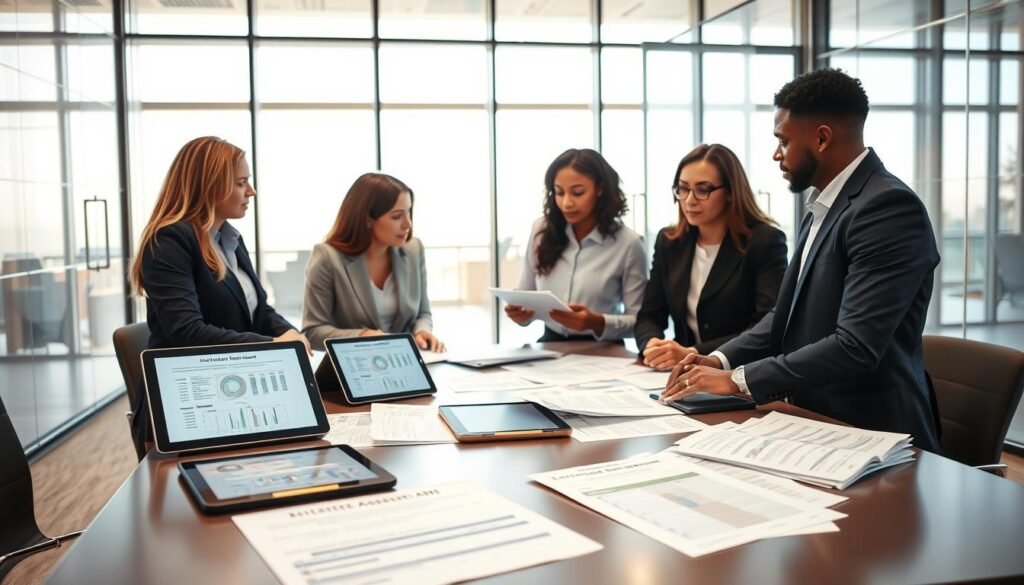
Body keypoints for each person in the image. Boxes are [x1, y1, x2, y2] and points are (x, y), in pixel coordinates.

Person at [662, 68, 942, 452]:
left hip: (872, 432)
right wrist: (719, 360)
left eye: (783, 141)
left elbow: (855, 346)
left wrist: (738, 381)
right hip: (814, 420)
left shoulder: (887, 208)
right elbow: (785, 315)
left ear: (822, 138)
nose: (776, 154)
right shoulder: (824, 205)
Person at [130, 136, 310, 448]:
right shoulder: (169, 241)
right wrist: (274, 346)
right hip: (185, 406)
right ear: (211, 186)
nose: (251, 192)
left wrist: (289, 334)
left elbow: (261, 310)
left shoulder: (230, 239)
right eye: (242, 183)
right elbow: (187, 332)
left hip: (233, 391)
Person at [636, 144, 787, 371]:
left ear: (730, 193)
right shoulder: (669, 241)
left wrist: (695, 353)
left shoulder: (764, 241)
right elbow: (649, 316)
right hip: (682, 374)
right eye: (683, 189)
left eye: (703, 189)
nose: (689, 200)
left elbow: (766, 325)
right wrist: (653, 346)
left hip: (740, 374)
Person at [506, 148, 647, 342]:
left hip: (604, 351)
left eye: (578, 192)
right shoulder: (541, 230)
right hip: (550, 347)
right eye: (559, 192)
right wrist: (520, 315)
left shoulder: (629, 244)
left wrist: (596, 322)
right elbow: (525, 295)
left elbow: (640, 322)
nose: (566, 203)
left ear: (600, 189)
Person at [302, 172, 444, 352]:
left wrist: (422, 331)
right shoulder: (328, 257)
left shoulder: (414, 250)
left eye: (408, 212)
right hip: (355, 366)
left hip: (404, 361)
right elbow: (312, 331)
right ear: (368, 219)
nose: (407, 224)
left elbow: (422, 313)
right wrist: (363, 336)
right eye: (396, 216)